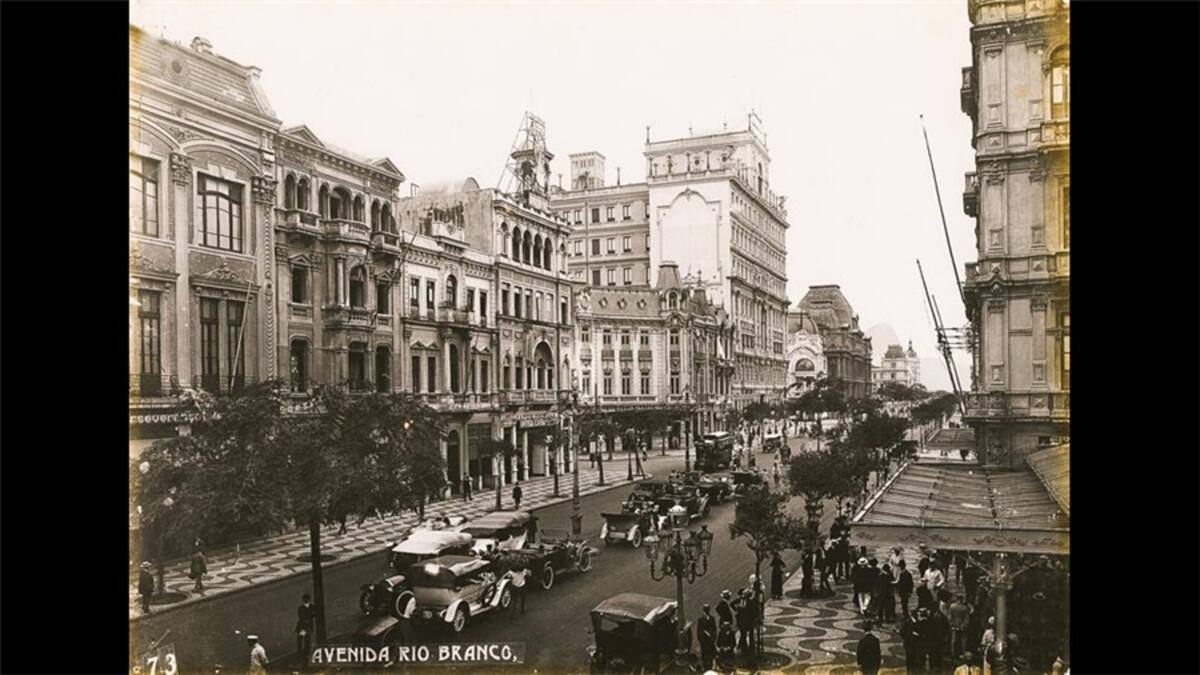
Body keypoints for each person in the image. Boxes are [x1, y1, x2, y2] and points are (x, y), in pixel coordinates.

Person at [948, 593, 971, 659]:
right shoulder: (965, 607)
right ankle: (963, 653)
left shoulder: (952, 606)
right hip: (962, 626)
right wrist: (963, 625)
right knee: (963, 640)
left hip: (954, 626)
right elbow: (967, 618)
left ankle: (953, 654)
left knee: (954, 640)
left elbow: (950, 617)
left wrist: (952, 625)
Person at [697, 604, 718, 671]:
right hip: (704, 641)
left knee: (711, 653)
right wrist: (701, 640)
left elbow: (714, 628)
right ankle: (705, 666)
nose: (706, 611)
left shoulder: (712, 618)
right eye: (706, 610)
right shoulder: (701, 619)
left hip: (710, 640)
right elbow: (699, 631)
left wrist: (713, 637)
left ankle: (710, 665)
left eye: (707, 610)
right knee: (704, 653)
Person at [296, 593, 315, 660]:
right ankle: (301, 653)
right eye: (305, 599)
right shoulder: (300, 608)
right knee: (301, 640)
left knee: (307, 640)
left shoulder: (312, 607)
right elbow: (301, 617)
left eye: (307, 599)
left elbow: (314, 615)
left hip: (308, 627)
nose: (306, 600)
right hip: (302, 627)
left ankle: (306, 653)